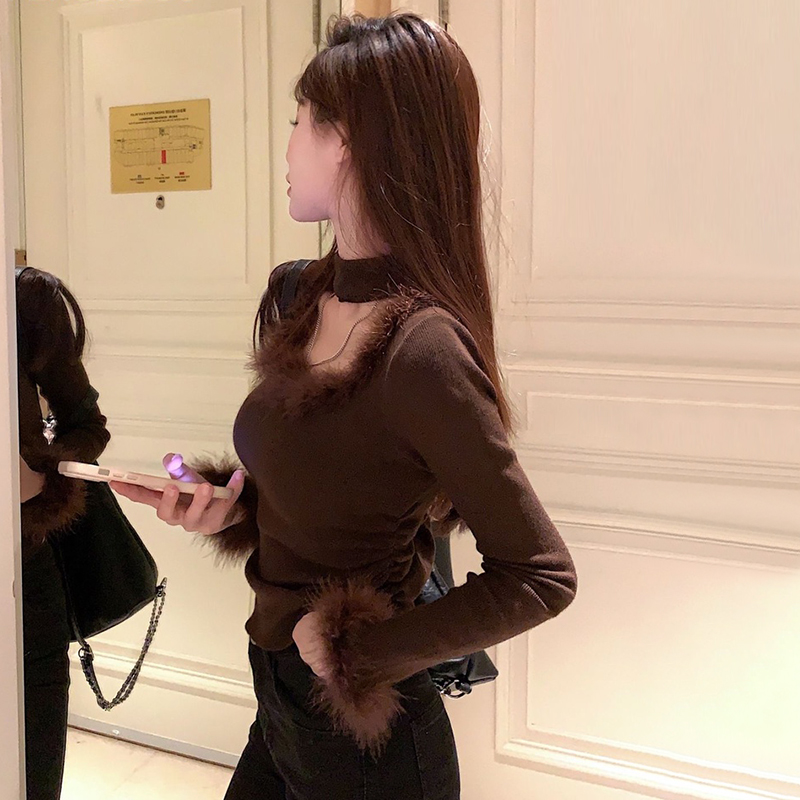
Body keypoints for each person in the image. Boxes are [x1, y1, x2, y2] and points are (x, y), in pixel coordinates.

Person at [114, 13, 577, 800]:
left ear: (350, 139)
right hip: (280, 704)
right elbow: (326, 487)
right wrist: (226, 506)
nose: (288, 146)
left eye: (300, 120)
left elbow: (540, 574)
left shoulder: (422, 349)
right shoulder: (298, 294)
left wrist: (360, 654)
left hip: (372, 751)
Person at [16, 267, 110, 800]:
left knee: (31, 778)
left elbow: (87, 427)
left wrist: (34, 474)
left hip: (22, 580)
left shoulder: (25, 299)